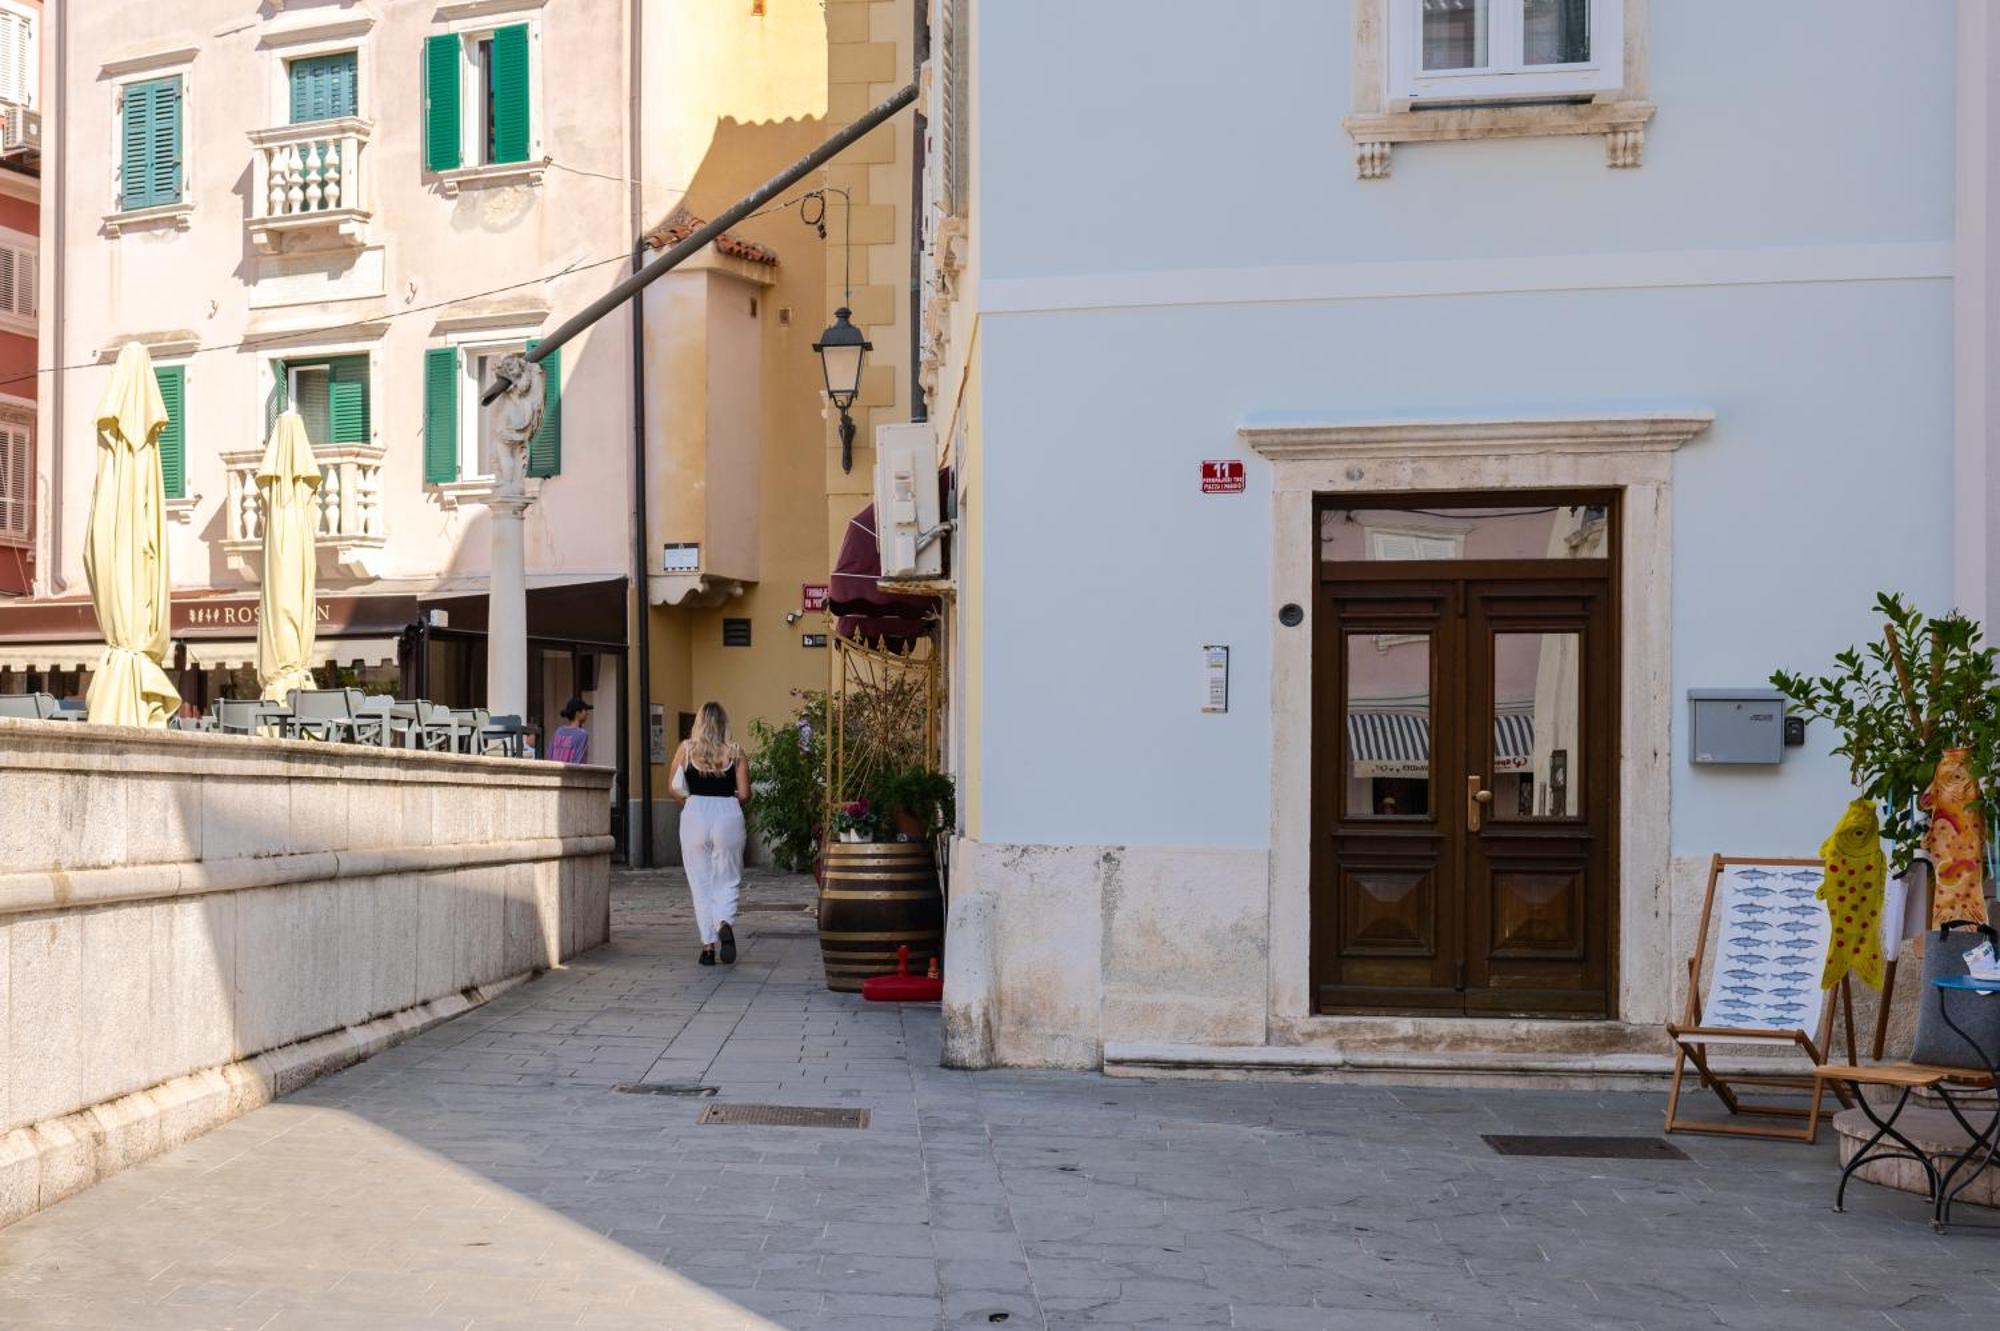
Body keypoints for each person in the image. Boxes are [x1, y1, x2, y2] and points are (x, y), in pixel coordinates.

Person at [670, 701, 751, 965]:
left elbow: (673, 788)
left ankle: (707, 948)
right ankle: (724, 921)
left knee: (700, 881)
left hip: (695, 814)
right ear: (724, 723)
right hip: (727, 811)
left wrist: (693, 805)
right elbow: (746, 794)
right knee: (728, 877)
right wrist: (727, 804)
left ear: (699, 722)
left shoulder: (685, 749)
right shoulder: (736, 752)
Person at [549, 696, 593, 765]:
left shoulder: (558, 731)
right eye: (585, 710)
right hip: (571, 774)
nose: (587, 713)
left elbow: (550, 755)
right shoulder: (582, 734)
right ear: (578, 713)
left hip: (556, 773)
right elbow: (579, 761)